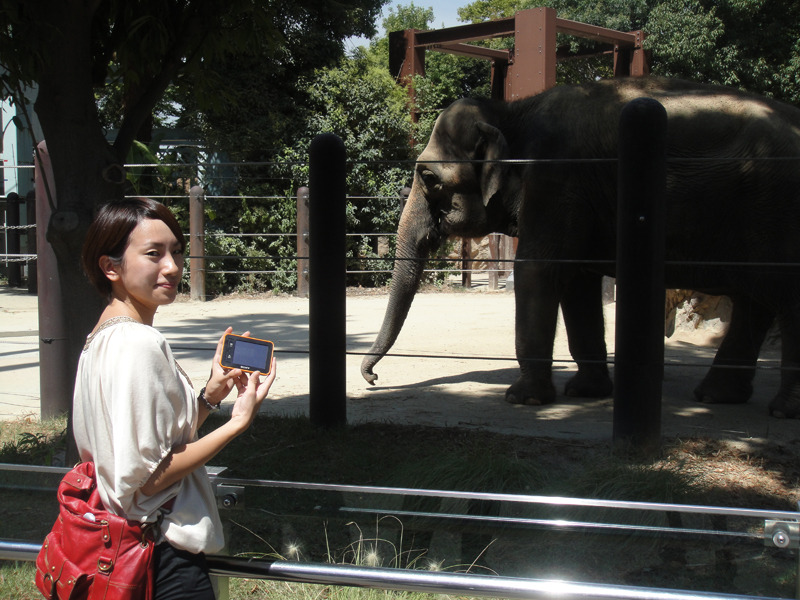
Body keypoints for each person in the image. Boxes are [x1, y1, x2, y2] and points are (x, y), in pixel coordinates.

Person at [72, 197, 276, 599]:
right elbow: (149, 479)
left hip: (122, 548)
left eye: (176, 252)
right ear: (110, 266)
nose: (172, 266)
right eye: (153, 254)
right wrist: (238, 422)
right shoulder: (138, 344)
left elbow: (147, 443)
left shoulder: (102, 336)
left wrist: (209, 397)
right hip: (163, 558)